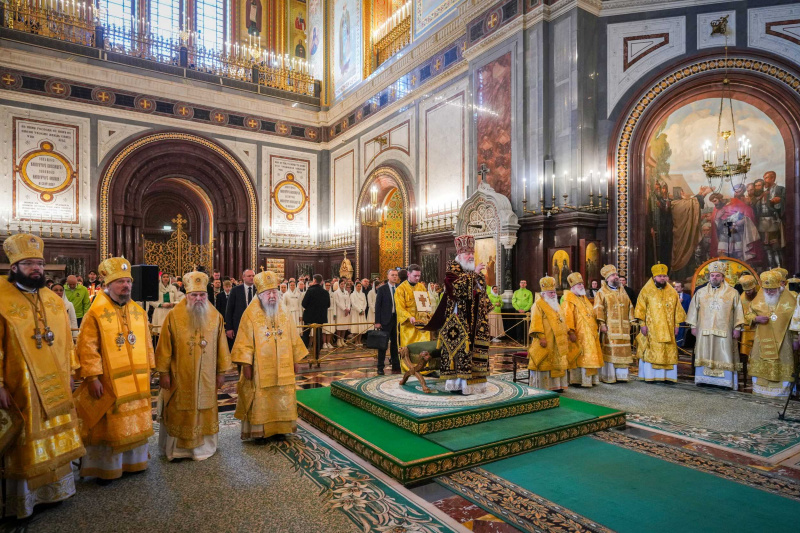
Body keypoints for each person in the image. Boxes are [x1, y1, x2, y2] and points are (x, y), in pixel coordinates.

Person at [0, 234, 85, 518]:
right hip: (20, 384)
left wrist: (72, 370)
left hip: (56, 381)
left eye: (39, 263)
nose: (36, 268)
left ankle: (56, 490)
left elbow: (65, 341)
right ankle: (26, 500)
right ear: (14, 267)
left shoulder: (52, 299)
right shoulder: (0, 297)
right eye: (28, 263)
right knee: (27, 437)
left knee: (55, 432)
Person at [75, 257, 155, 482]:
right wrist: (92, 378)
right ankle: (107, 468)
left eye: (128, 282)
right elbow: (87, 347)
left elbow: (147, 343)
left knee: (136, 419)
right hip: (108, 381)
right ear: (107, 285)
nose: (126, 286)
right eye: (120, 282)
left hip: (137, 381)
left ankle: (135, 462)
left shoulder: (138, 311)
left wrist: (149, 369)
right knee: (110, 423)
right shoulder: (95, 313)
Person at [156, 271, 231, 461]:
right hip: (180, 375)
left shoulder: (215, 316)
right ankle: (178, 450)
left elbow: (222, 346)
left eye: (202, 295)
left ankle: (204, 448)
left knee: (204, 407)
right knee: (180, 408)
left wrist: (221, 372)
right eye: (194, 295)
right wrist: (163, 372)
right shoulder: (173, 316)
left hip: (207, 376)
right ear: (187, 295)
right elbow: (164, 346)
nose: (198, 299)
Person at [232, 271, 308, 441]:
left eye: (274, 292)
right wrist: (246, 365)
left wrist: (296, 360)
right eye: (268, 293)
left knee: (282, 395)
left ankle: (281, 429)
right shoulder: (250, 314)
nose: (272, 296)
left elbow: (293, 337)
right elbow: (244, 341)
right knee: (261, 397)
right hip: (259, 369)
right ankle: (260, 431)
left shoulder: (284, 312)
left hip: (284, 365)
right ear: (260, 295)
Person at [423, 235, 491, 394]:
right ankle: (458, 385)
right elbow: (457, 290)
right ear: (459, 256)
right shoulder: (452, 270)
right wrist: (473, 275)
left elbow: (481, 293)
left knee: (475, 352)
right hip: (458, 321)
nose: (471, 256)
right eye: (467, 254)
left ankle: (475, 384)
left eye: (472, 253)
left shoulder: (474, 273)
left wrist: (480, 284)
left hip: (476, 321)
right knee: (460, 352)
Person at [686, 261, 744, 389]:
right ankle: (703, 379)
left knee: (725, 354)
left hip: (725, 331)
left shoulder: (733, 293)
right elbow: (693, 310)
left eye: (718, 275)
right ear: (709, 276)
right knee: (703, 353)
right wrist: (693, 326)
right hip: (704, 330)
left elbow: (738, 311)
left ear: (723, 277)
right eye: (712, 275)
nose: (714, 278)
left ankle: (724, 382)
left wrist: (737, 328)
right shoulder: (700, 292)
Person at [748, 270, 796, 397]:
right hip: (762, 337)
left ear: (779, 286)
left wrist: (796, 339)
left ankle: (781, 392)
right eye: (766, 289)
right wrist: (755, 318)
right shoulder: (760, 296)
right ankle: (760, 390)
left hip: (784, 339)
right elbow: (748, 313)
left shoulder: (790, 299)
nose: (768, 292)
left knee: (781, 362)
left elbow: (796, 320)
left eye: (772, 290)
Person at [634, 264, 685, 383]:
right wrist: (642, 325)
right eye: (660, 276)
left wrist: (677, 325)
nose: (662, 278)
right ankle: (651, 376)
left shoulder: (672, 292)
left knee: (668, 351)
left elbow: (678, 310)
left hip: (669, 328)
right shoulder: (646, 290)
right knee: (653, 350)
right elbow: (640, 309)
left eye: (664, 276)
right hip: (652, 329)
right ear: (654, 276)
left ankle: (667, 377)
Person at [527, 276, 572, 391]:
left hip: (558, 341)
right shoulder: (538, 305)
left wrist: (568, 331)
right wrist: (541, 337)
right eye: (550, 292)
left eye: (554, 292)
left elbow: (562, 320)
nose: (553, 294)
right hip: (546, 340)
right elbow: (536, 322)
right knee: (545, 363)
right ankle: (544, 386)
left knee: (558, 362)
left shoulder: (556, 305)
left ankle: (557, 386)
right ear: (543, 293)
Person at [593, 265, 634, 383]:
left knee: (624, 351)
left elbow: (630, 306)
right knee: (611, 351)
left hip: (624, 327)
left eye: (616, 275)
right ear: (607, 278)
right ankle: (609, 376)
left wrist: (631, 320)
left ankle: (622, 376)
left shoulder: (623, 291)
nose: (616, 277)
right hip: (610, 328)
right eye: (613, 275)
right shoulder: (601, 292)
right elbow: (598, 309)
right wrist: (602, 324)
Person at [562, 273, 603, 387]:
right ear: (572, 287)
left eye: (581, 284)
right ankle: (578, 380)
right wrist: (570, 332)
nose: (581, 286)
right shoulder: (568, 300)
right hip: (578, 334)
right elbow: (567, 316)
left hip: (590, 333)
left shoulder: (584, 298)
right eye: (578, 284)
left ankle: (590, 380)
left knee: (590, 356)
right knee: (581, 356)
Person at [394, 264, 431, 351]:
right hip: (408, 326)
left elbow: (427, 302)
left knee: (424, 349)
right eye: (415, 276)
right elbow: (400, 308)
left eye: (419, 276)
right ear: (408, 274)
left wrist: (427, 312)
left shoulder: (421, 287)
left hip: (422, 325)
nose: (417, 278)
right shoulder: (401, 289)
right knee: (409, 350)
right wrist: (409, 317)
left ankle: (425, 365)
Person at [374, 270, 401, 374]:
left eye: (396, 275)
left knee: (395, 344)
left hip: (396, 319)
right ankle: (380, 367)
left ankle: (396, 365)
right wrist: (377, 321)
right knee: (383, 345)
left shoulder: (399, 288)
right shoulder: (382, 289)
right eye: (392, 275)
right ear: (388, 276)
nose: (394, 277)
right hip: (385, 320)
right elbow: (378, 305)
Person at [302, 274, 330, 357]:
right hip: (320, 317)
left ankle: (304, 353)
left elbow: (303, 304)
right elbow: (328, 304)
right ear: (321, 281)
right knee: (318, 335)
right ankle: (317, 353)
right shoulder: (325, 292)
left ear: (314, 280)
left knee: (306, 335)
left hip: (309, 317)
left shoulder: (310, 291)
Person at [225, 269, 256, 342]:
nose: (252, 278)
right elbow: (229, 309)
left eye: (253, 276)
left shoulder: (258, 290)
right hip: (239, 324)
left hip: (255, 325)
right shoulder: (235, 290)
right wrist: (229, 328)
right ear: (243, 277)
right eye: (249, 276)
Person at [738, 274, 759, 364]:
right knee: (746, 352)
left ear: (754, 287)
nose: (748, 292)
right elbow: (742, 313)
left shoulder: (761, 293)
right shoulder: (742, 298)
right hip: (748, 328)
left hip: (761, 328)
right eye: (746, 290)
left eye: (750, 290)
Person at [333, 279, 351, 347]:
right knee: (339, 326)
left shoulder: (346, 292)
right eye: (341, 284)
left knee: (344, 326)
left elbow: (349, 301)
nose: (343, 285)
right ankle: (338, 340)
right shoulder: (336, 293)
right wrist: (344, 309)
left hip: (346, 311)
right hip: (340, 311)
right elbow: (337, 302)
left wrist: (348, 309)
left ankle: (342, 340)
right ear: (339, 284)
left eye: (344, 284)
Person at [350, 281, 368, 345]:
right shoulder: (352, 294)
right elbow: (353, 304)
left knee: (361, 327)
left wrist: (363, 310)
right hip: (356, 312)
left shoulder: (363, 294)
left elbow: (365, 303)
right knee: (356, 327)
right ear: (355, 287)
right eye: (358, 286)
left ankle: (360, 340)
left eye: (360, 286)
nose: (359, 287)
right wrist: (359, 310)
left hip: (362, 313)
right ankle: (356, 341)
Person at [674, 281, 691, 347]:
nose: (676, 288)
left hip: (683, 319)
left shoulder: (687, 297)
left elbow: (689, 308)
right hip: (673, 318)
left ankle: (680, 347)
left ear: (682, 288)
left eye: (678, 287)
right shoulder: (670, 296)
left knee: (681, 333)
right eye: (675, 286)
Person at [324, 280, 336, 349]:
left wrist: (334, 314)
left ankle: (328, 342)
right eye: (326, 285)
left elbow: (334, 304)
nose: (328, 287)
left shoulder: (332, 294)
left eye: (329, 285)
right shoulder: (322, 293)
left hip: (331, 312)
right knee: (324, 329)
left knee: (330, 328)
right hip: (325, 312)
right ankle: (324, 343)